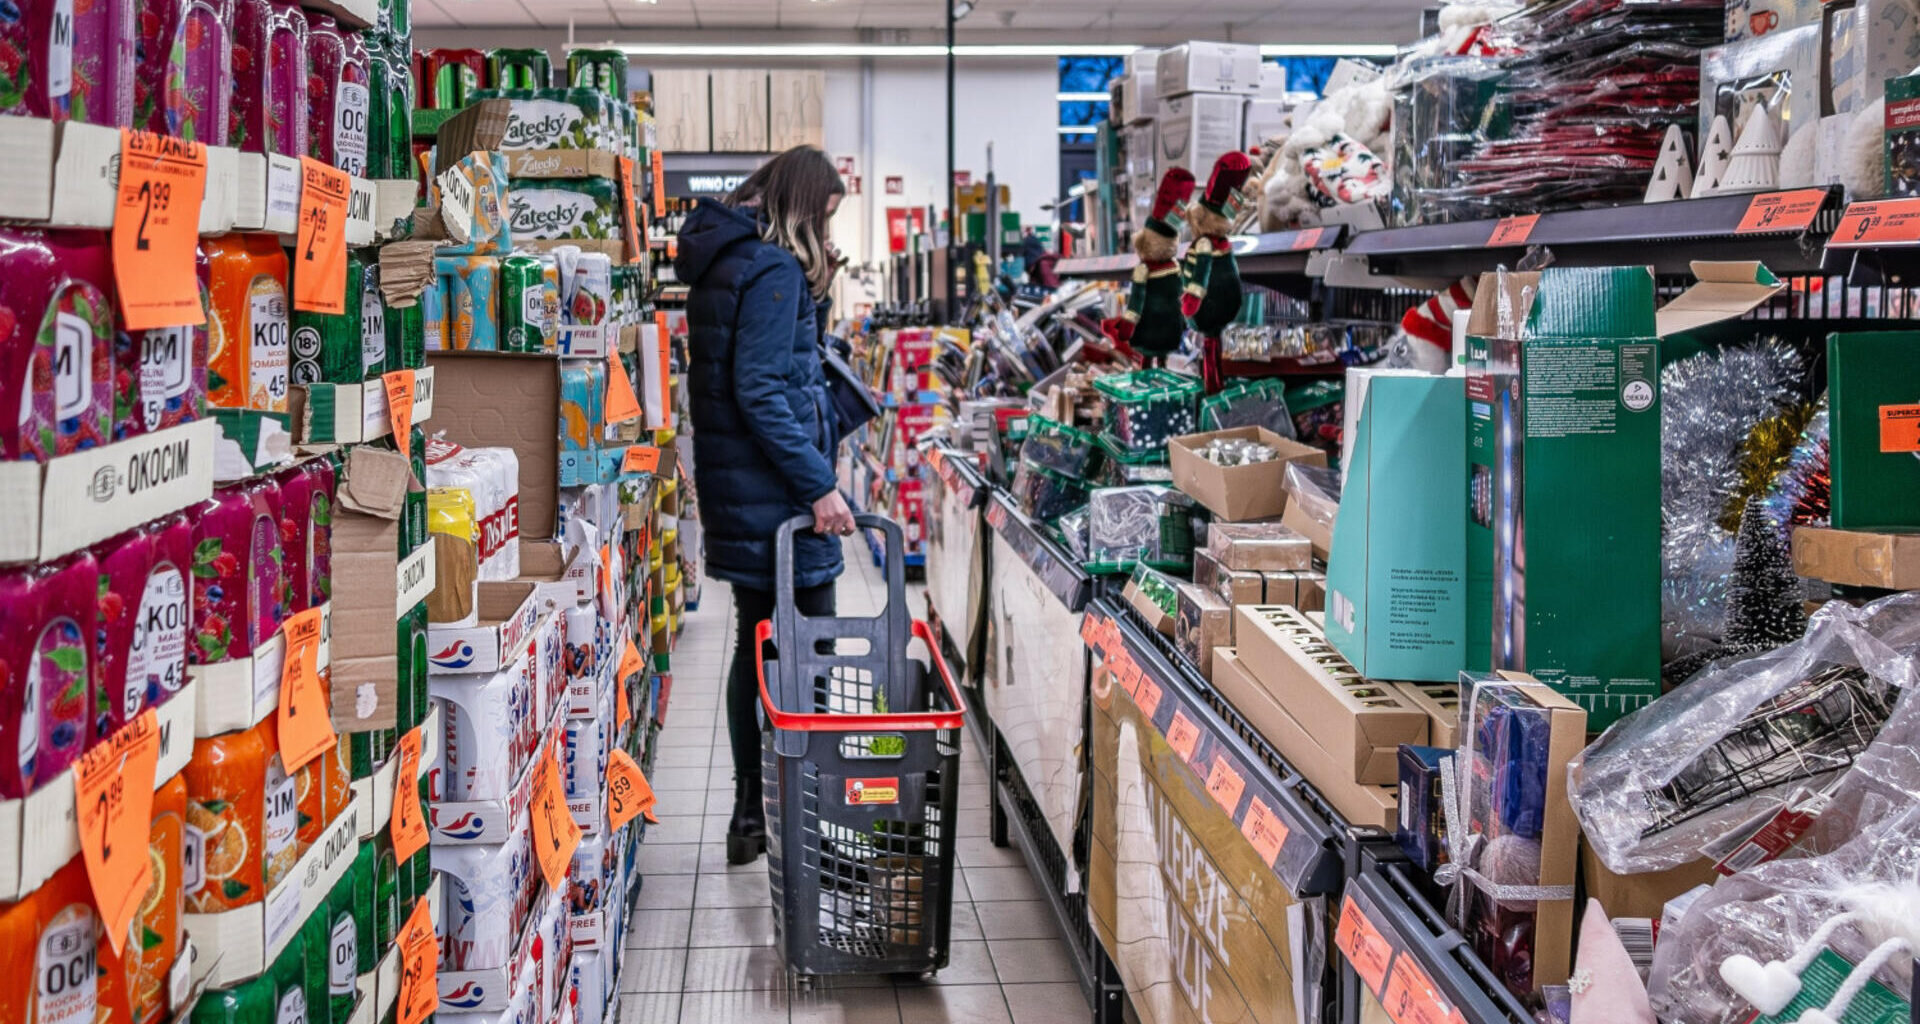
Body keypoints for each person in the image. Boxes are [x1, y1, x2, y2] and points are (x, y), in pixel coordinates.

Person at [673, 146, 854, 865]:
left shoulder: (729, 261)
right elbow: (764, 391)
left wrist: (823, 290)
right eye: (826, 218)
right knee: (807, 651)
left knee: (759, 645)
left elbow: (775, 367)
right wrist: (819, 485)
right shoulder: (775, 270)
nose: (825, 235)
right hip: (780, 499)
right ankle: (798, 812)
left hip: (742, 494)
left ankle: (754, 813)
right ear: (805, 209)